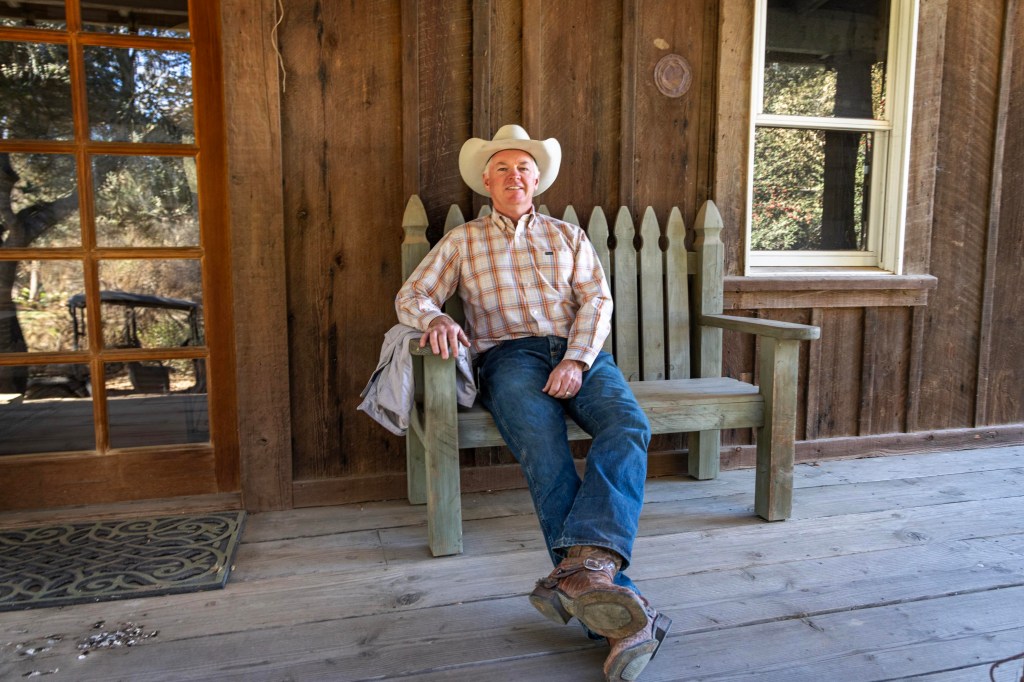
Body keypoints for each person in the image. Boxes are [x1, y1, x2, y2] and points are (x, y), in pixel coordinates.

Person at [396, 125, 671, 682]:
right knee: (544, 450)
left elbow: (596, 300)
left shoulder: (568, 235)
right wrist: (438, 318)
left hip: (579, 354)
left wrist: (576, 360)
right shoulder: (464, 241)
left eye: (523, 168)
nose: (513, 176)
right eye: (502, 168)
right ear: (486, 182)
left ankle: (585, 578)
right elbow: (413, 294)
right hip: (510, 359)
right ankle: (619, 612)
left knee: (628, 426)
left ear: (537, 180)